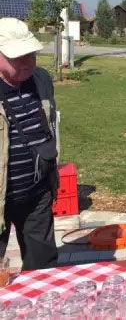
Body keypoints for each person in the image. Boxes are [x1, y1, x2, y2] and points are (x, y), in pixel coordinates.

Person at [0, 18, 59, 270]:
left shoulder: (41, 79)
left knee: (43, 269)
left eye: (30, 54)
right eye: (17, 56)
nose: (26, 62)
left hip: (37, 196)